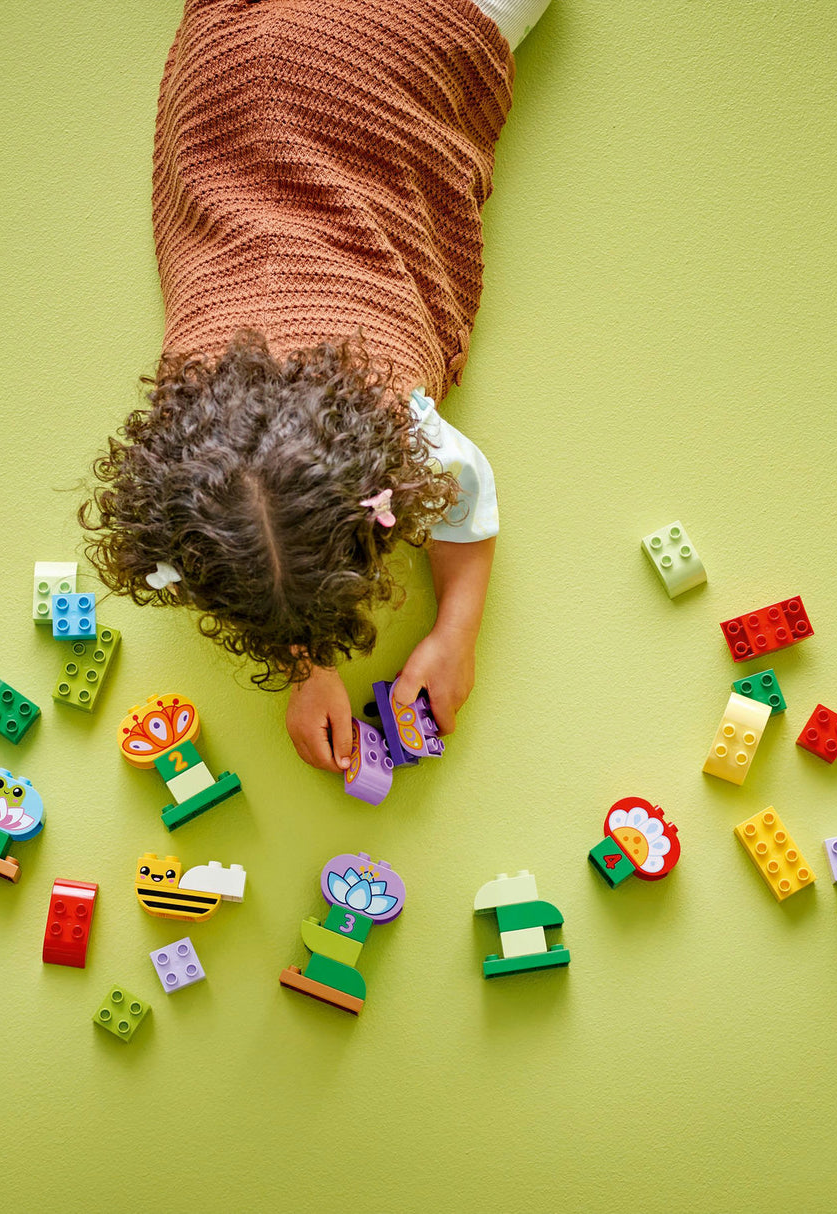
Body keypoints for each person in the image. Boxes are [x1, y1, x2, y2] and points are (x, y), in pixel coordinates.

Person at [81, 0, 552, 771]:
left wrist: (455, 635)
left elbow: (471, 501)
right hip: (241, 52)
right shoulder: (187, 419)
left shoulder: (409, 426)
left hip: (381, 46)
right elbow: (254, 533)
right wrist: (309, 662)